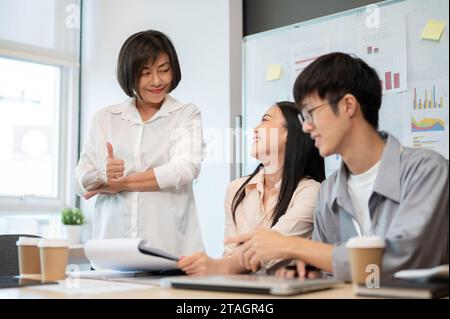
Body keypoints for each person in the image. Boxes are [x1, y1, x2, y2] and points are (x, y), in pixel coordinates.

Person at [227, 52, 449, 281]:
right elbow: (330, 269)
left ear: (348, 106)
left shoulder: (427, 171)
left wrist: (293, 246)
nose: (306, 128)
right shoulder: (329, 190)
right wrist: (306, 270)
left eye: (310, 113)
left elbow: (404, 261)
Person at [74, 30, 205, 256]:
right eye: (145, 73)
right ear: (129, 74)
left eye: (164, 70)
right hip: (111, 250)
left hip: (170, 249)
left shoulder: (185, 114)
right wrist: (100, 175)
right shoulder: (105, 118)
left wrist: (120, 184)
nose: (157, 81)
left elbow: (185, 169)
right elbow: (80, 181)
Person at [178, 101, 325, 275]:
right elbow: (231, 254)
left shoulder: (311, 192)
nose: (255, 129)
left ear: (289, 133)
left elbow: (272, 246)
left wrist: (217, 266)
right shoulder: (237, 189)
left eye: (265, 120)